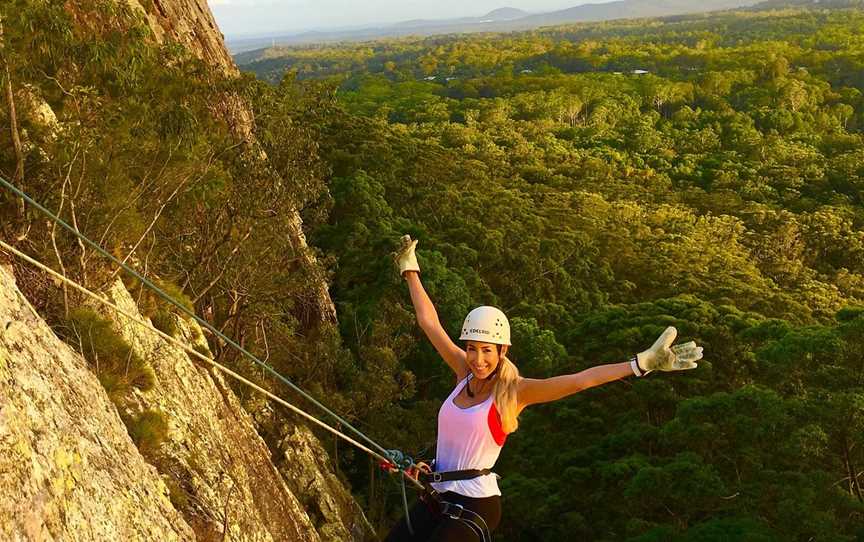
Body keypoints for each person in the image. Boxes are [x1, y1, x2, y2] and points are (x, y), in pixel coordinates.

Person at [385, 235, 703, 542]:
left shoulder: (515, 391)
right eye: (471, 348)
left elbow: (581, 380)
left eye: (486, 350)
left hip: (476, 503)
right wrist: (410, 269)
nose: (477, 358)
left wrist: (640, 364)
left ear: (501, 351)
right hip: (439, 490)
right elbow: (430, 323)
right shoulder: (462, 372)